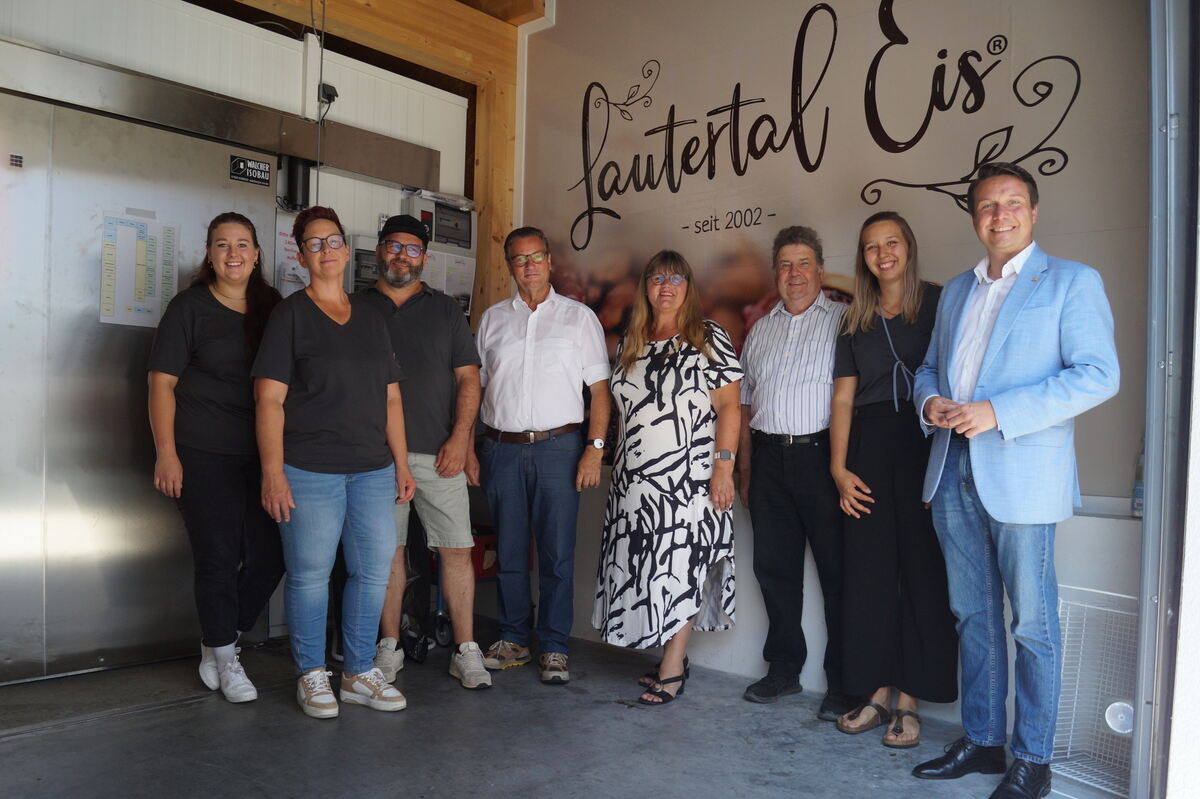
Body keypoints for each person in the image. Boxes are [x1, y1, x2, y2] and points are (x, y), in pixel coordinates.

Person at [910, 162, 1119, 799]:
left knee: (1031, 624)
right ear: (974, 216)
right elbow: (928, 368)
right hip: (952, 468)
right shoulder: (955, 290)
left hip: (1023, 475)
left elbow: (1097, 375)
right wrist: (930, 403)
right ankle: (982, 742)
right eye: (987, 205)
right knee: (972, 616)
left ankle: (1033, 761)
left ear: (1033, 211)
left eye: (1012, 203)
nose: (999, 215)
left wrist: (997, 412)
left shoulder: (1072, 282)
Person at [252, 205, 416, 719]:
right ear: (302, 255)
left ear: (347, 250)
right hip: (309, 468)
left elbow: (391, 397)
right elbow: (268, 399)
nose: (326, 250)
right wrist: (273, 472)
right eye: (315, 243)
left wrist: (401, 463)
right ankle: (311, 673)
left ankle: (358, 672)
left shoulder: (371, 316)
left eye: (334, 240)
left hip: (372, 469)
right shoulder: (290, 315)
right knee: (310, 575)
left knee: (372, 573)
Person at [829, 211, 958, 747]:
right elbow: (842, 398)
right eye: (871, 246)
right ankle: (876, 692)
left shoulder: (941, 301)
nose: (883, 254)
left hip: (927, 440)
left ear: (909, 247)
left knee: (924, 572)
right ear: (863, 257)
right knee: (870, 572)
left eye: (891, 242)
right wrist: (839, 469)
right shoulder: (853, 318)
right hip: (869, 444)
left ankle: (911, 700)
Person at [592, 250, 742, 704]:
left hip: (687, 481)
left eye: (676, 278)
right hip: (633, 481)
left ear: (688, 288)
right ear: (646, 288)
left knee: (681, 568)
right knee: (646, 570)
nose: (666, 287)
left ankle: (673, 666)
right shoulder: (631, 341)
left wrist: (724, 468)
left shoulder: (707, 336)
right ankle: (668, 657)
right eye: (658, 278)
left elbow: (730, 406)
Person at [148, 212, 284, 703]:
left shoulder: (274, 308)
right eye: (223, 245)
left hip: (263, 455)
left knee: (272, 556)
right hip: (201, 452)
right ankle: (226, 656)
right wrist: (167, 453)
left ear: (257, 254)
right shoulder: (189, 308)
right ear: (209, 253)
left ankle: (218, 634)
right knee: (218, 556)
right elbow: (160, 384)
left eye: (243, 244)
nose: (233, 254)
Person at [475, 226, 611, 684]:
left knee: (557, 554)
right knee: (510, 551)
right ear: (509, 266)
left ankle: (554, 646)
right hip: (502, 449)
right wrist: (470, 446)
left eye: (536, 257)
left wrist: (594, 450)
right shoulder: (492, 320)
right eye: (519, 258)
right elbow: (476, 389)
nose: (529, 266)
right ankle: (514, 637)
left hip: (560, 449)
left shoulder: (578, 318)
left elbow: (600, 391)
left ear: (550, 262)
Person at [360, 214, 490, 690]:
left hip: (440, 453)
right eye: (394, 246)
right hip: (375, 457)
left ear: (424, 258)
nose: (402, 256)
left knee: (456, 550)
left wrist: (460, 438)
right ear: (380, 250)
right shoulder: (355, 307)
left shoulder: (446, 311)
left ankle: (466, 650)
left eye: (412, 249)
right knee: (387, 553)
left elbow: (469, 379)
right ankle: (389, 646)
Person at [736, 225, 856, 720]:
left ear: (821, 271)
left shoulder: (845, 322)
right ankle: (784, 669)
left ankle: (844, 683)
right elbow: (744, 405)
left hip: (823, 459)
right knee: (775, 571)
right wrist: (745, 470)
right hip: (767, 460)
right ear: (776, 274)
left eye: (804, 263)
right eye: (785, 265)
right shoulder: (760, 330)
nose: (795, 273)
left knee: (838, 574)